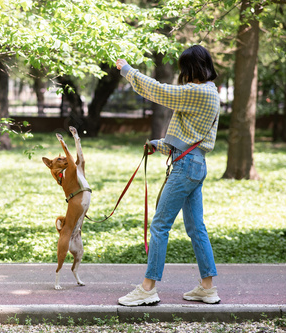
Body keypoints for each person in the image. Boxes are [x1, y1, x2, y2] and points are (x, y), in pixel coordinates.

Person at [115, 45, 221, 306]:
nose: (183, 74)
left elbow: (159, 92)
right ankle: (207, 288)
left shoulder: (197, 92)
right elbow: (192, 138)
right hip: (194, 164)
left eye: (185, 68)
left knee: (160, 226)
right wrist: (159, 144)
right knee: (197, 229)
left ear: (193, 67)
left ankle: (148, 288)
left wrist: (128, 71)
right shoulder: (211, 92)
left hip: (186, 167)